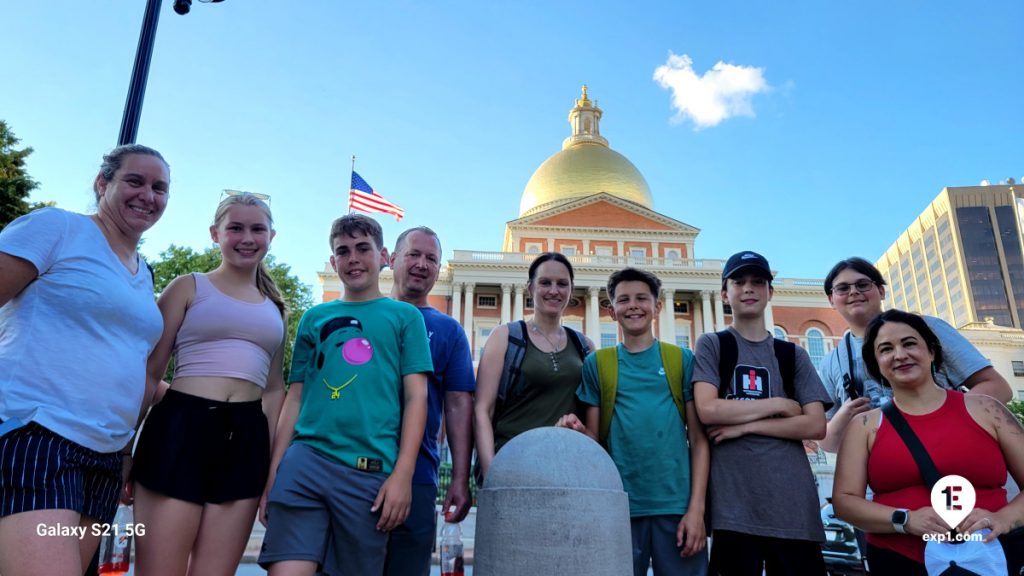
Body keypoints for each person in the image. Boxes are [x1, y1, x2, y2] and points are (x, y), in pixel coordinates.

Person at [0, 144, 170, 576]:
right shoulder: (58, 228)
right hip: (39, 438)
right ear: (102, 183)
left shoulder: (144, 274)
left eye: (159, 187)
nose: (147, 195)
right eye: (135, 181)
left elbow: (128, 363)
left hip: (105, 458)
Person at [257, 214, 432, 576]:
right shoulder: (314, 318)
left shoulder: (405, 318)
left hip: (368, 471)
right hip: (305, 462)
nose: (353, 258)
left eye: (363, 248)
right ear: (333, 261)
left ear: (383, 256)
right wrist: (274, 470)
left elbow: (417, 398)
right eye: (343, 251)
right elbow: (295, 397)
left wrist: (403, 474)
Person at [131, 192, 287, 576]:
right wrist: (123, 447)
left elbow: (273, 390)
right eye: (235, 228)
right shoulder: (187, 287)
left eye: (257, 229)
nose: (247, 238)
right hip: (180, 429)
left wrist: (270, 468)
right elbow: (150, 371)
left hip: (247, 440)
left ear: (272, 236)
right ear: (216, 234)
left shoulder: (276, 309)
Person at [832, 310, 1024, 574]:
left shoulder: (987, 409)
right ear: (875, 364)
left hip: (988, 557)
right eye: (886, 349)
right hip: (898, 559)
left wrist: (1003, 519)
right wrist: (905, 520)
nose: (900, 355)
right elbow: (844, 501)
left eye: (909, 343)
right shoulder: (863, 425)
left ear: (932, 351)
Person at [558, 267, 709, 576]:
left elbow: (698, 440)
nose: (633, 306)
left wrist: (697, 509)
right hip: (619, 506)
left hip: (676, 507)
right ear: (612, 311)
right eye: (624, 300)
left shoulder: (680, 359)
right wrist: (575, 430)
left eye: (642, 298)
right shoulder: (598, 364)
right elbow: (596, 440)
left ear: (657, 306)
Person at [692, 251, 833, 575]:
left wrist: (745, 426)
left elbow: (815, 425)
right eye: (739, 282)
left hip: (794, 510)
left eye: (757, 282)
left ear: (770, 292)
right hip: (734, 510)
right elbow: (708, 409)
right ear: (724, 294)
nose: (748, 288)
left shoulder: (792, 354)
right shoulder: (713, 345)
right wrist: (778, 405)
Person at [818, 257, 1012, 454]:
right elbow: (827, 442)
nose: (853, 292)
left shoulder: (928, 328)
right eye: (843, 288)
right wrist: (844, 415)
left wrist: (945, 419)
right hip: (883, 468)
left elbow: (998, 387)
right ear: (832, 300)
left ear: (881, 291)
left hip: (952, 453)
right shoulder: (831, 362)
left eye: (863, 284)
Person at [375, 226, 475, 575]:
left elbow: (459, 404)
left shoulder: (449, 330)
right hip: (352, 470)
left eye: (431, 259)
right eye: (413, 255)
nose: (422, 264)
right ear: (391, 259)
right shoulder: (366, 314)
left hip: (418, 476)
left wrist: (460, 478)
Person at [474, 252, 594, 480]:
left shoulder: (584, 346)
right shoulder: (505, 337)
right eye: (545, 282)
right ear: (530, 288)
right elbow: (482, 410)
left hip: (566, 470)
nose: (554, 290)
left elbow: (592, 417)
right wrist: (491, 474)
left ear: (571, 289)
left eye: (562, 284)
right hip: (513, 466)